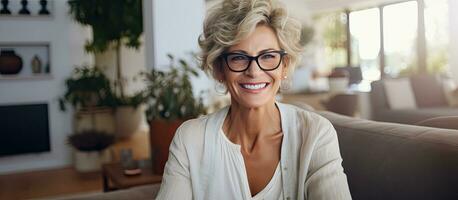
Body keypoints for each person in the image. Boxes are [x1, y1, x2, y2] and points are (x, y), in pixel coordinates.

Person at [156, 0, 352, 199]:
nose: (254, 71)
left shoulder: (315, 135)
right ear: (219, 69)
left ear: (284, 66)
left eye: (267, 56)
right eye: (239, 57)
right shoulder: (190, 139)